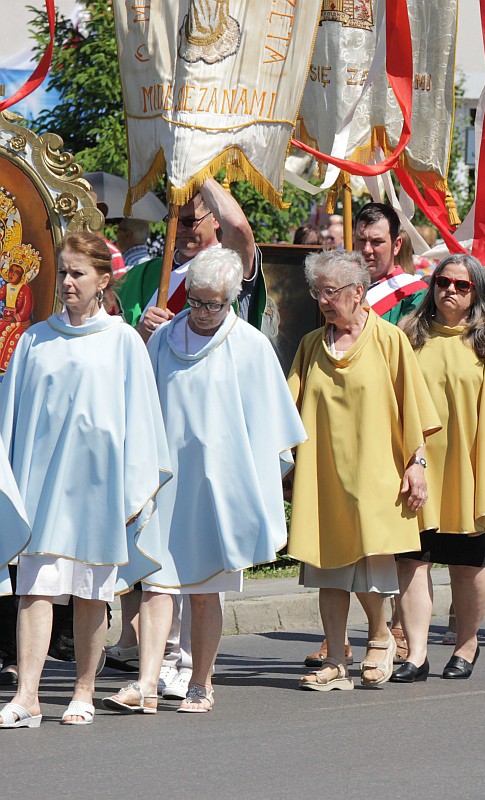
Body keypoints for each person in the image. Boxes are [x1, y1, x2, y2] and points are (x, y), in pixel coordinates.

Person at [101, 248, 307, 716]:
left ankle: (201, 681)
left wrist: (254, 483)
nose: (201, 311)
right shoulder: (162, 339)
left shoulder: (250, 345)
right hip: (167, 482)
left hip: (218, 488)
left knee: (203, 590)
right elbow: (140, 402)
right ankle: (148, 683)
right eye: (194, 300)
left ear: (232, 299)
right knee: (156, 582)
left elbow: (271, 425)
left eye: (213, 303)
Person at [0, 232, 171, 728]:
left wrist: (132, 486)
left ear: (103, 280)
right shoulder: (35, 339)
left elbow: (141, 421)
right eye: (64, 272)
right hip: (44, 487)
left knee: (90, 590)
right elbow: (13, 417)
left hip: (98, 490)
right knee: (35, 588)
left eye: (78, 273)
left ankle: (83, 690)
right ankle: (27, 695)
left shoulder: (122, 342)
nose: (68, 282)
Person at [287, 249, 440, 690]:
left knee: (370, 569)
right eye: (318, 292)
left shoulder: (389, 340)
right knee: (328, 572)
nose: (323, 301)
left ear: (358, 292)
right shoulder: (311, 346)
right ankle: (336, 660)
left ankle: (379, 639)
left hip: (376, 475)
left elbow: (414, 409)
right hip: (324, 475)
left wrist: (418, 465)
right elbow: (287, 407)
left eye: (331, 292)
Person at [396, 254, 485, 680]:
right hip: (417, 470)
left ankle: (467, 643)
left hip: (468, 473)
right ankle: (417, 654)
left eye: (462, 286)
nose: (451, 292)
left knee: (466, 566)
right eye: (444, 282)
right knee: (412, 562)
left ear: (476, 292)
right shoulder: (409, 337)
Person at [116, 178, 266, 338]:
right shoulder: (145, 273)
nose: (179, 229)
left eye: (189, 221)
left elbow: (238, 228)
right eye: (173, 220)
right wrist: (140, 331)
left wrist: (197, 171)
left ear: (215, 218)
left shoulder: (229, 266)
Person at [354, 203, 427, 324]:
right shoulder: (339, 286)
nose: (367, 249)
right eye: (361, 240)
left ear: (396, 245)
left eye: (376, 242)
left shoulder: (415, 293)